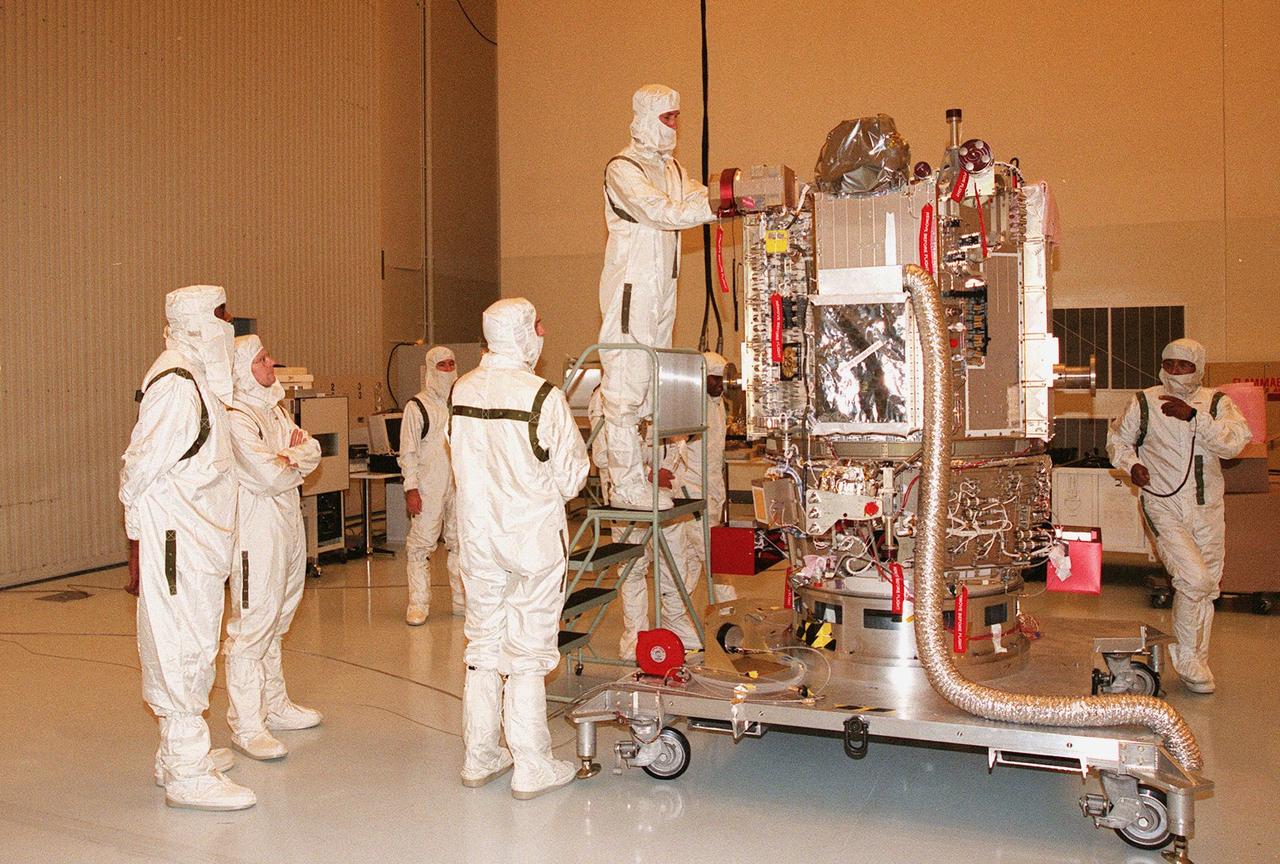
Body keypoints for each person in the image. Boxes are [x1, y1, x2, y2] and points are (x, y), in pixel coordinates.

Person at [120, 285, 255, 810]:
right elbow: (138, 468)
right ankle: (186, 771)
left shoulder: (198, 380)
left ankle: (176, 753)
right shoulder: (176, 386)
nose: (229, 329)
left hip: (199, 541)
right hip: (180, 544)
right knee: (182, 649)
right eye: (221, 319)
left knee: (192, 642)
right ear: (197, 324)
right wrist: (137, 541)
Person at [450, 298, 588, 799]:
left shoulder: (460, 389)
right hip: (530, 540)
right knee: (528, 651)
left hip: (478, 538)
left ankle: (480, 755)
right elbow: (572, 476)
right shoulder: (542, 397)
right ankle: (532, 762)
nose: (543, 332)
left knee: (484, 644)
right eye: (538, 325)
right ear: (526, 334)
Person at [1107, 338, 1251, 694]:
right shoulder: (1145, 401)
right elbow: (1117, 441)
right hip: (1163, 503)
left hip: (1207, 508)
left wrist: (1195, 418)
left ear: (1199, 368)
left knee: (1207, 587)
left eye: (1183, 366)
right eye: (1169, 364)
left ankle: (1196, 660)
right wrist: (1132, 464)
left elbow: (1234, 444)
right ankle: (1186, 656)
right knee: (1195, 579)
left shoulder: (1216, 403)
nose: (1175, 372)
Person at [598, 83, 715, 510]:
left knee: (651, 395)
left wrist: (742, 192)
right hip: (632, 296)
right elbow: (663, 211)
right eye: (667, 117)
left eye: (677, 117)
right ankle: (627, 485)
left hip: (662, 295)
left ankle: (647, 477)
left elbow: (700, 197)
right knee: (626, 392)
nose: (674, 126)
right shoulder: (623, 168)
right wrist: (723, 203)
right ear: (647, 117)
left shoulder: (671, 169)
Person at [222, 335, 323, 761]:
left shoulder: (274, 409)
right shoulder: (236, 417)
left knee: (279, 616)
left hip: (285, 521)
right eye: (263, 359)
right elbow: (266, 474)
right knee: (252, 625)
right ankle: (247, 723)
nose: (271, 363)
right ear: (244, 368)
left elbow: (314, 451)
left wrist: (289, 457)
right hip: (253, 530)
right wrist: (289, 458)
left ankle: (274, 704)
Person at [399, 346, 464, 625]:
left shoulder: (460, 403)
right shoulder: (417, 407)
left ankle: (462, 601)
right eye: (442, 365)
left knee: (460, 542)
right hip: (428, 486)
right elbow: (408, 452)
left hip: (459, 485)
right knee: (421, 545)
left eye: (452, 364)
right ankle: (418, 603)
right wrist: (411, 488)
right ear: (430, 369)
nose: (448, 370)